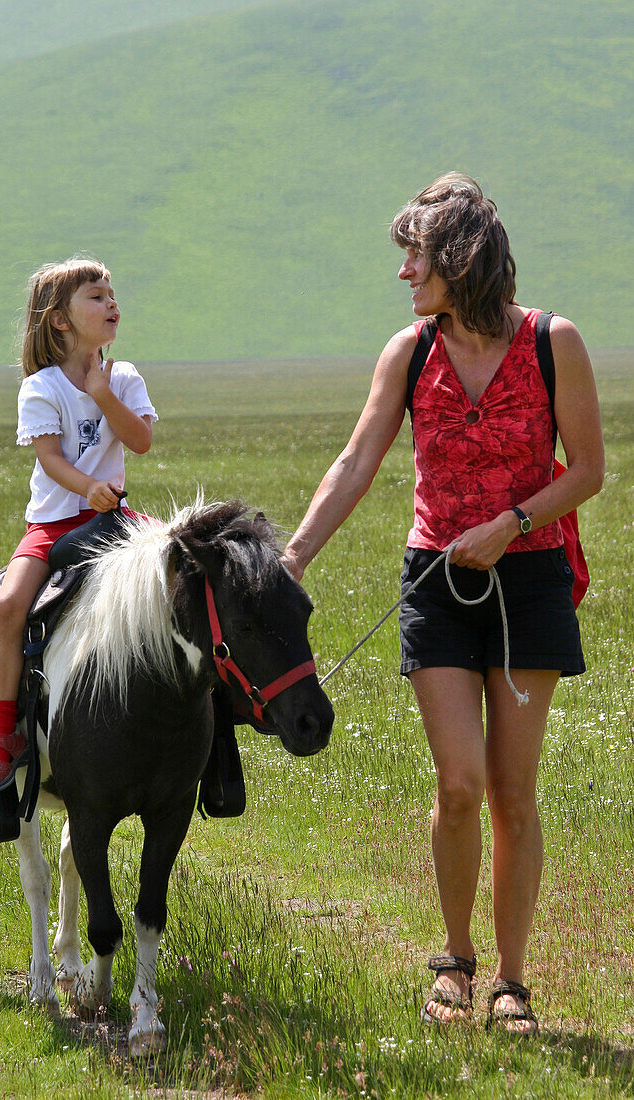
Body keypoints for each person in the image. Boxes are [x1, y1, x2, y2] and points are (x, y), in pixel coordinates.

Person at [282, 174, 604, 1033]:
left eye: (414, 256)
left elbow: (588, 471)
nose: (403, 275)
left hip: (530, 579)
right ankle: (453, 965)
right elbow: (354, 464)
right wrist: (293, 559)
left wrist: (510, 523)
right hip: (436, 583)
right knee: (457, 785)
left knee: (511, 792)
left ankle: (509, 982)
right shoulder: (411, 351)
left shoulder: (551, 341)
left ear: (458, 259)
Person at [0, 256, 157, 793]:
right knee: (10, 606)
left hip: (112, 517)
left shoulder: (122, 377)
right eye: (96, 297)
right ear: (60, 319)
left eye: (111, 295)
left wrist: (103, 393)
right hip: (55, 522)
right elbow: (51, 459)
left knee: (186, 572)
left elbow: (141, 441)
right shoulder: (41, 387)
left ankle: (213, 733)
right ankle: (0, 736)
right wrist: (87, 488)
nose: (112, 304)